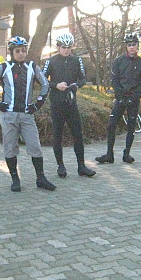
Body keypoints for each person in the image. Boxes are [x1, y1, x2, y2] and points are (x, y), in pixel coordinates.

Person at [0, 36, 56, 192]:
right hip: (9, 115)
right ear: (12, 52)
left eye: (23, 50)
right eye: (17, 51)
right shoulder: (3, 67)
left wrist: (38, 104)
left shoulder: (32, 66)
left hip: (26, 115)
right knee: (10, 147)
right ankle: (15, 179)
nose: (21, 53)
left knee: (35, 146)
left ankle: (41, 178)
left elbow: (45, 84)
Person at [42, 32, 97, 178]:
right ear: (58, 47)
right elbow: (42, 79)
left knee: (78, 135)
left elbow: (83, 79)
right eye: (63, 47)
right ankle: (60, 166)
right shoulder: (51, 61)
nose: (66, 50)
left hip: (71, 103)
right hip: (57, 103)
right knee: (57, 136)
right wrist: (55, 85)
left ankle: (81, 166)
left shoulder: (77, 60)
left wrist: (76, 85)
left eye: (68, 47)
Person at [95, 32, 141, 165]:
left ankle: (127, 153)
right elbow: (114, 80)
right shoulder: (118, 61)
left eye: (134, 44)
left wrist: (134, 97)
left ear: (138, 46)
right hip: (120, 98)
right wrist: (120, 96)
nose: (131, 47)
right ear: (126, 46)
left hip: (134, 99)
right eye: (129, 44)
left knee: (131, 127)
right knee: (111, 125)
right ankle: (109, 154)